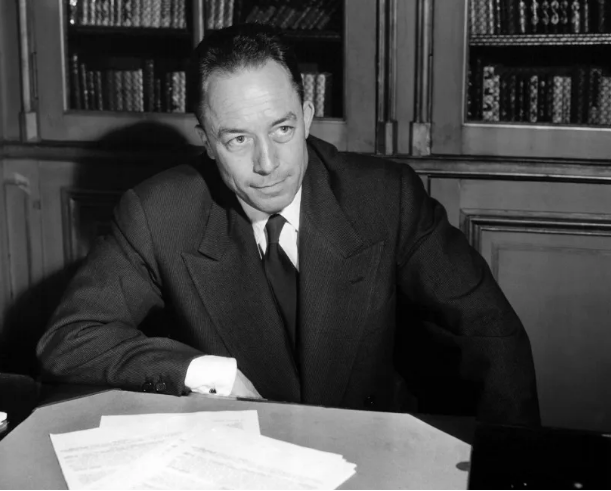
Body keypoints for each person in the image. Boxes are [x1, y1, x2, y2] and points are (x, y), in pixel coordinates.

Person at [37, 24, 540, 426]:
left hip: (371, 444)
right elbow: (71, 338)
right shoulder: (159, 213)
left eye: (282, 129)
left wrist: (512, 471)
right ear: (206, 141)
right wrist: (201, 373)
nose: (267, 163)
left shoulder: (385, 197)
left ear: (308, 115)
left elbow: (491, 334)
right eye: (237, 139)